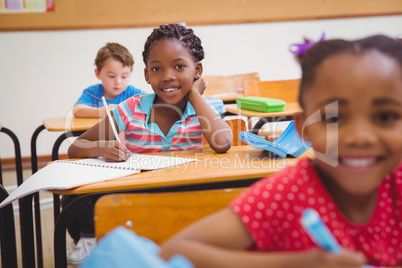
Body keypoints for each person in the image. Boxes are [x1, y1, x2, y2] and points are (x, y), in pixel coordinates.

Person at [159, 35, 402, 267]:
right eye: (335, 117)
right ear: (303, 127)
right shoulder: (290, 193)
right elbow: (172, 252)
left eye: (385, 116)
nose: (360, 137)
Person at [65, 23, 232, 264]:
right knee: (76, 199)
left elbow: (223, 142)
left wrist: (195, 94)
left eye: (179, 66)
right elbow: (76, 146)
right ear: (146, 75)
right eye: (156, 68)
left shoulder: (206, 109)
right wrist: (102, 148)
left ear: (197, 71)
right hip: (136, 203)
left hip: (188, 202)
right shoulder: (130, 108)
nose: (167, 76)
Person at [72, 42, 145, 118]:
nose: (118, 82)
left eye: (124, 76)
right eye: (111, 76)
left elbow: (152, 104)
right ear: (98, 73)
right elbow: (76, 110)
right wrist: (101, 112)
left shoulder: (133, 94)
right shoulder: (92, 92)